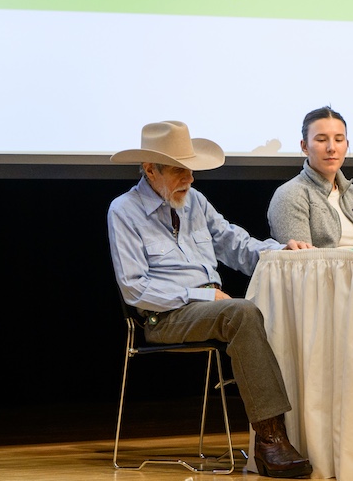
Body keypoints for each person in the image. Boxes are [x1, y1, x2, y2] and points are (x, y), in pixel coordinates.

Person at [107, 120, 316, 479]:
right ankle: (270, 439)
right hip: (163, 317)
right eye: (179, 170)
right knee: (241, 312)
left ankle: (281, 435)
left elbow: (235, 244)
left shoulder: (195, 203)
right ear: (150, 169)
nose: (189, 178)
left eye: (191, 169)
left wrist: (281, 249)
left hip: (210, 310)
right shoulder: (123, 211)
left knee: (256, 311)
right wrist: (198, 295)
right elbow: (133, 288)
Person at [267, 106, 353, 248]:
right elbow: (300, 263)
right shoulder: (290, 195)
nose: (331, 148)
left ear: (347, 145)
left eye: (338, 140)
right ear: (304, 146)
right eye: (321, 140)